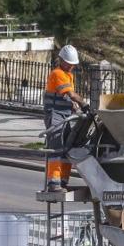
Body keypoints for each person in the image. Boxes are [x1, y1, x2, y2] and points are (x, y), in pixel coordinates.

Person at [44, 44, 88, 191]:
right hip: (55, 115)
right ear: (61, 60)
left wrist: (75, 107)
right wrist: (83, 103)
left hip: (66, 115)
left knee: (67, 149)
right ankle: (53, 183)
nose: (71, 67)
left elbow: (68, 98)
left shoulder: (69, 75)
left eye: (73, 64)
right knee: (56, 149)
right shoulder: (57, 74)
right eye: (69, 64)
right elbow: (71, 94)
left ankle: (62, 181)